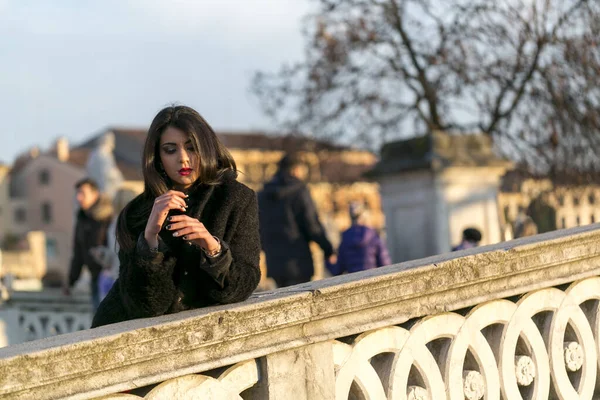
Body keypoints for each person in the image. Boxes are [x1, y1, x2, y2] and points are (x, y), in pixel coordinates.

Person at [91, 105, 261, 328]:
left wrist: (213, 249)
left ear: (207, 148)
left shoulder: (236, 199)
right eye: (170, 150)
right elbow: (143, 306)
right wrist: (150, 239)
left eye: (191, 148)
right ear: (158, 157)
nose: (183, 159)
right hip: (121, 341)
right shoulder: (136, 212)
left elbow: (241, 286)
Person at [258, 153, 335, 287]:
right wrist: (328, 249)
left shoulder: (263, 194)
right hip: (298, 260)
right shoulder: (299, 191)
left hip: (274, 261)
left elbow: (257, 227)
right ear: (296, 169)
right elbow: (311, 224)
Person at [65, 178, 114, 311]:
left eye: (82, 193)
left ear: (95, 194)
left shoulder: (108, 216)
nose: (79, 197)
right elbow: (78, 253)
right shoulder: (82, 217)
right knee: (98, 321)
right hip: (94, 277)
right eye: (77, 193)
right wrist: (71, 281)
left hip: (111, 277)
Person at [326, 202, 391, 275]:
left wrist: (327, 260)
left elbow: (337, 270)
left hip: (354, 282)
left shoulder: (345, 239)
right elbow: (385, 265)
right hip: (373, 280)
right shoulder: (374, 237)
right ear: (365, 216)